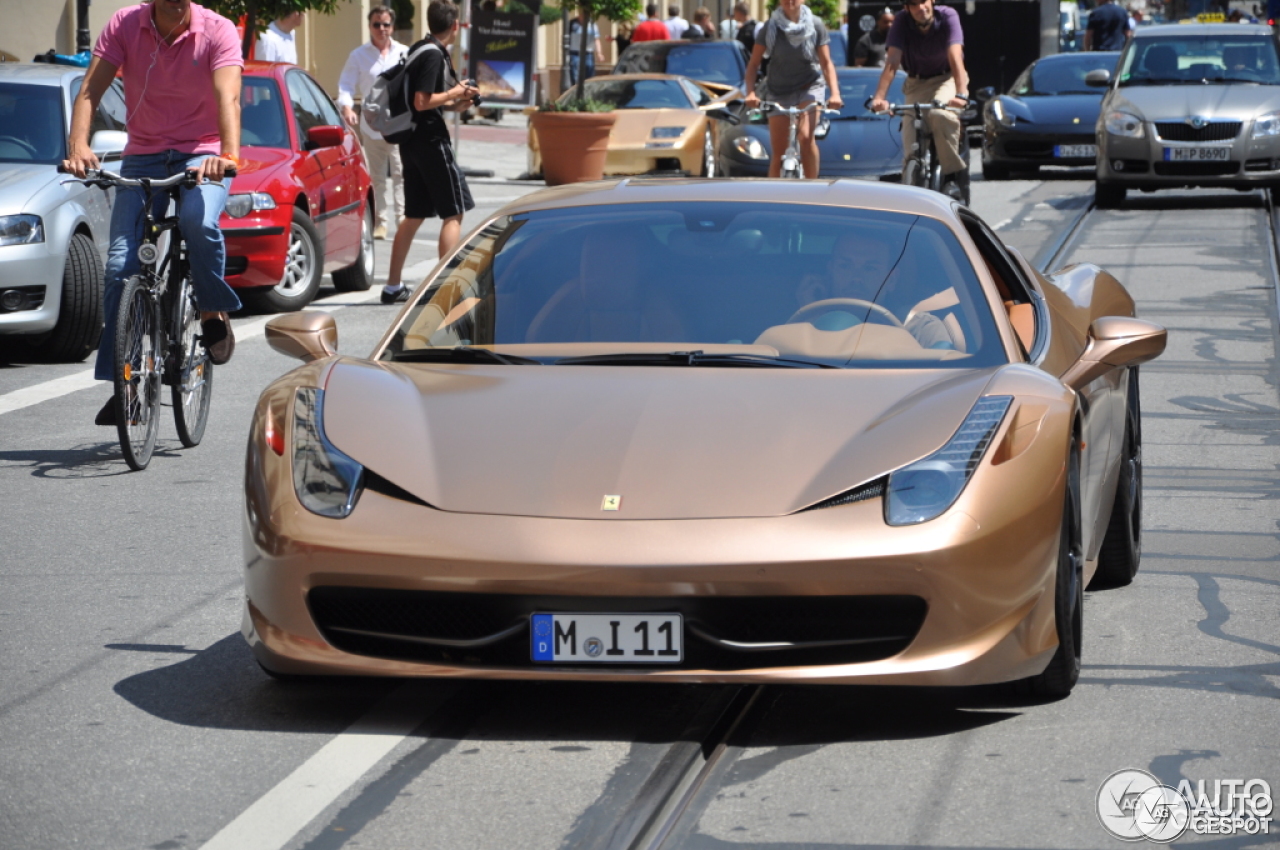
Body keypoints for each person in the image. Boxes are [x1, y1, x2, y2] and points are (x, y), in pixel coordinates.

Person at [62, 0, 242, 425]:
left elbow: (227, 95)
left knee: (198, 220)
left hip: (203, 154)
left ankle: (212, 308)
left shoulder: (217, 29)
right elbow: (90, 89)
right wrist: (78, 146)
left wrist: (228, 155)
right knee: (120, 267)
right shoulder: (126, 24)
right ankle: (123, 386)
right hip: (143, 156)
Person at [381, 1, 480, 304]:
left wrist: (458, 102)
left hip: (411, 142)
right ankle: (446, 290)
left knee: (413, 215)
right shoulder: (434, 54)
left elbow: (422, 102)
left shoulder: (418, 48)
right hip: (430, 142)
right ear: (455, 26)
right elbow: (423, 101)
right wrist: (455, 91)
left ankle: (392, 286)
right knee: (454, 213)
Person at [870, 0, 971, 202]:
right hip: (916, 83)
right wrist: (879, 99)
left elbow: (954, 56)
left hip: (946, 78)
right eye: (913, 4)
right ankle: (912, 180)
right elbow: (892, 61)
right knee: (910, 136)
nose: (920, 8)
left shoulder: (948, 16)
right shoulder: (901, 21)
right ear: (907, 7)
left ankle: (951, 177)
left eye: (923, 2)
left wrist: (961, 94)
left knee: (939, 114)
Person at [796, 232, 955, 349]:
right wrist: (810, 316)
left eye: (869, 268)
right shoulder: (799, 323)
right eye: (845, 266)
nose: (856, 278)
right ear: (830, 272)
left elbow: (944, 366)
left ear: (891, 280)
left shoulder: (917, 327)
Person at [743, 0, 844, 178]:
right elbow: (753, 65)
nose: (790, 1)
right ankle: (773, 199)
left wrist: (835, 94)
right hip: (778, 90)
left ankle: (813, 191)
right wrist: (750, 93)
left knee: (805, 137)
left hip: (809, 86)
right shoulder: (770, 27)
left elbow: (826, 64)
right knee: (779, 151)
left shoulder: (815, 24)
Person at [337, 5, 408, 241]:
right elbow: (346, 85)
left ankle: (403, 219)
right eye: (377, 24)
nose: (381, 29)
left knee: (401, 174)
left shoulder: (404, 53)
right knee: (377, 177)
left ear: (393, 27)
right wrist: (347, 108)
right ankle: (381, 222)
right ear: (370, 26)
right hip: (372, 126)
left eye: (386, 24)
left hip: (399, 125)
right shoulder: (358, 55)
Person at [567, 7, 604, 84]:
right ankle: (576, 92)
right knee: (574, 76)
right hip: (575, 54)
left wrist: (599, 53)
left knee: (590, 76)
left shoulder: (592, 24)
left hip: (588, 54)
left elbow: (596, 39)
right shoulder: (572, 23)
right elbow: (567, 38)